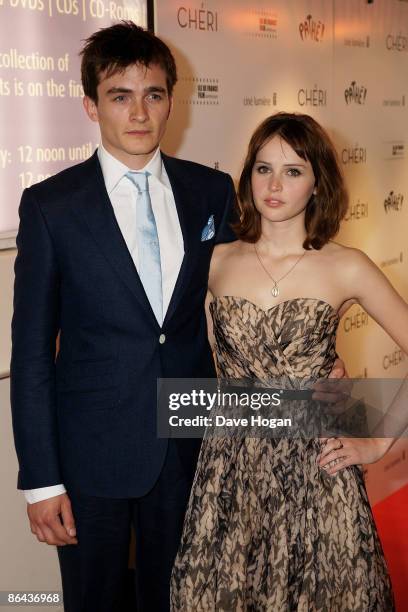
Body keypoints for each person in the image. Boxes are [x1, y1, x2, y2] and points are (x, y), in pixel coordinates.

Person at [171, 112, 405, 610]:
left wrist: (377, 442)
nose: (274, 185)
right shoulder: (214, 262)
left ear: (318, 182)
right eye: (263, 168)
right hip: (229, 475)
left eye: (293, 171)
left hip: (318, 474)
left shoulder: (346, 266)